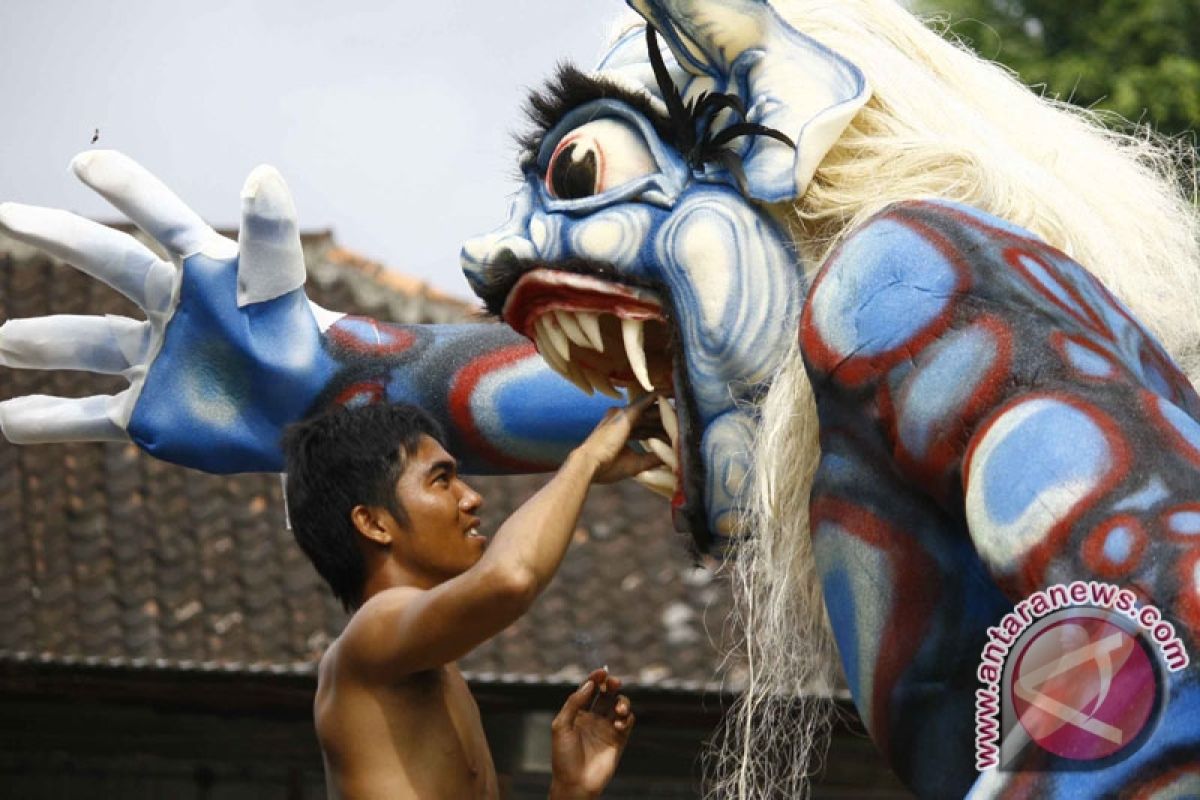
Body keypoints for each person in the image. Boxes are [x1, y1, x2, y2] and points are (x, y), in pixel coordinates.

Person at [280, 395, 661, 799]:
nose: (471, 497)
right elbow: (509, 579)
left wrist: (571, 790)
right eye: (441, 479)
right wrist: (586, 460)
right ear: (374, 523)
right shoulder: (372, 630)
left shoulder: (438, 672)